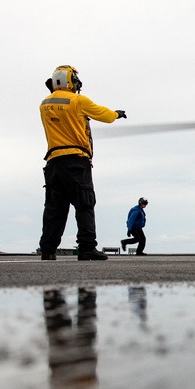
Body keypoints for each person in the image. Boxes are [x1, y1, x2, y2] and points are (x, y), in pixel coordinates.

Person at [38, 65, 126, 261]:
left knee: (54, 208)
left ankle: (47, 249)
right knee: (84, 204)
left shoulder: (44, 104)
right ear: (70, 81)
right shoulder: (78, 101)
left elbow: (57, 110)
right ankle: (86, 248)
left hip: (53, 163)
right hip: (76, 162)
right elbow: (105, 115)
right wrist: (117, 114)